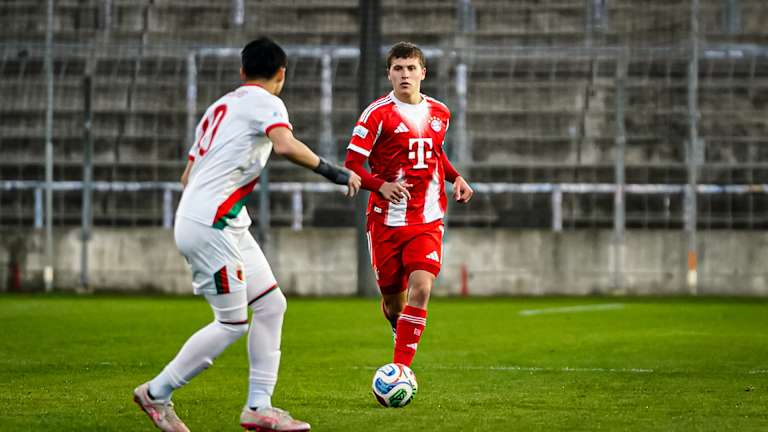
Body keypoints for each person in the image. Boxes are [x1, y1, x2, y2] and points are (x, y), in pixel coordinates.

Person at [133, 37, 361, 432]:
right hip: (212, 223)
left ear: (242, 72)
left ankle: (259, 406)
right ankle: (157, 392)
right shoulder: (268, 102)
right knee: (232, 323)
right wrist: (336, 172)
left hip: (223, 220)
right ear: (281, 75)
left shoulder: (218, 107)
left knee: (272, 305)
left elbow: (188, 175)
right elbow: (286, 145)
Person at [344, 42, 473, 370]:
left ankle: (401, 371)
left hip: (427, 218)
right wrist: (380, 185)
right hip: (386, 221)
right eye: (398, 68)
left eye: (411, 68)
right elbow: (353, 164)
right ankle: (396, 325)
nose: (405, 74)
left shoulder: (440, 113)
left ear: (422, 73)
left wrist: (456, 177)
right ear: (389, 73)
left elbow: (434, 152)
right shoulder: (376, 115)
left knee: (422, 287)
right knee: (393, 300)